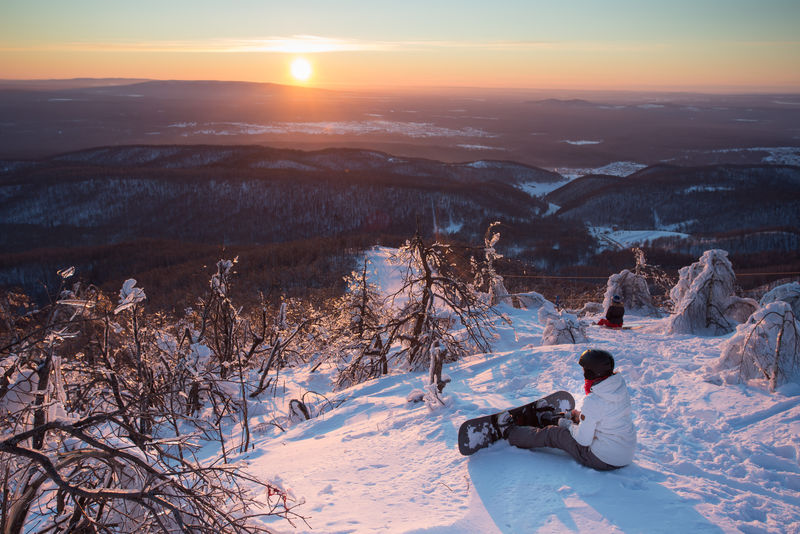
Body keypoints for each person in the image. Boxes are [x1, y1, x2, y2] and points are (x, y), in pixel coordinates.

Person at [497, 349, 636, 470]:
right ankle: (548, 418)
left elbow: (583, 440)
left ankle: (511, 433)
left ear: (591, 373)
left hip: (602, 459)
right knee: (575, 420)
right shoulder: (617, 390)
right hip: (625, 453)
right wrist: (574, 417)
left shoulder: (594, 401)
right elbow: (604, 415)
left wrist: (567, 424)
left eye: (584, 370)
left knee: (554, 434)